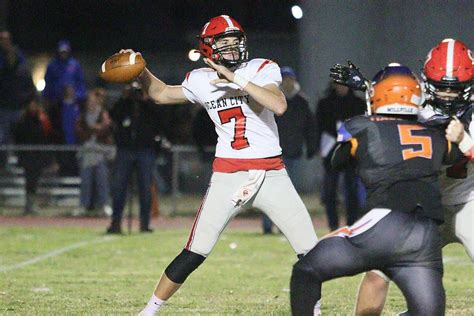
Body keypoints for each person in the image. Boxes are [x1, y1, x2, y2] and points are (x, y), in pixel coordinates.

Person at [134, 15, 317, 315]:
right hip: (228, 174)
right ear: (209, 48)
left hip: (271, 172)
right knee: (195, 250)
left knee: (311, 252)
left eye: (235, 41)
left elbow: (279, 104)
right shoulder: (200, 80)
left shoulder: (261, 68)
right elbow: (161, 93)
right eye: (224, 42)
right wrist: (142, 72)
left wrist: (236, 79)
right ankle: (149, 310)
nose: (232, 47)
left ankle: (315, 311)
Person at [290, 64, 465, 316]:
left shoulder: (362, 126)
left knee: (306, 270)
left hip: (385, 223)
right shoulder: (435, 134)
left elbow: (337, 160)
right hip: (426, 233)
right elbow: (456, 155)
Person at [351, 39, 474, 316]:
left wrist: (464, 141)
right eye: (441, 86)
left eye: (454, 89)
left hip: (469, 202)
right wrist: (369, 90)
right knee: (377, 272)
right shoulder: (414, 106)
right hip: (423, 204)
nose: (447, 95)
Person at [261, 66, 317, 234]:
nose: (287, 82)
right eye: (284, 79)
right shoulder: (272, 99)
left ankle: (282, 226)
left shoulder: (301, 102)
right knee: (270, 192)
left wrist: (311, 147)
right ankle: (268, 226)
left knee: (287, 193)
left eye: (289, 79)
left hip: (293, 152)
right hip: (272, 153)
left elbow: (310, 127)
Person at [106, 81, 164, 234]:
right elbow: (113, 115)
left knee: (145, 188)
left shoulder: (149, 107)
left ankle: (145, 223)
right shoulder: (124, 105)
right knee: (119, 187)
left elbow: (160, 118)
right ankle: (115, 222)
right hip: (125, 149)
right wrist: (124, 98)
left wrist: (147, 99)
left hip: (145, 149)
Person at [315, 82, 366, 230]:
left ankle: (352, 224)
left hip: (351, 148)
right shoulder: (325, 103)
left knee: (352, 189)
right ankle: (333, 225)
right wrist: (319, 146)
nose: (341, 88)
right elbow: (319, 125)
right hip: (330, 147)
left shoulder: (358, 103)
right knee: (330, 191)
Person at [74, 89, 113, 216]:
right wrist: (93, 130)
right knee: (86, 181)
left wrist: (94, 130)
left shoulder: (103, 115)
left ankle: (104, 205)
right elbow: (79, 131)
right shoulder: (82, 116)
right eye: (90, 102)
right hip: (87, 152)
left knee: (102, 180)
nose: (92, 104)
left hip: (100, 152)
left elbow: (106, 129)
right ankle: (83, 205)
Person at [0, 29, 36, 168]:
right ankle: (3, 165)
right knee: (3, 138)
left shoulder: (21, 62)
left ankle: (22, 163)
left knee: (21, 136)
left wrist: (29, 100)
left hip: (19, 106)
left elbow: (28, 83)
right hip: (3, 107)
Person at [12, 97, 53, 215]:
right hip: (27, 155)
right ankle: (28, 204)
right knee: (29, 180)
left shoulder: (42, 120)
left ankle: (33, 203)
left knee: (36, 180)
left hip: (38, 155)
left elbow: (47, 136)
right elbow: (18, 136)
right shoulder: (23, 120)